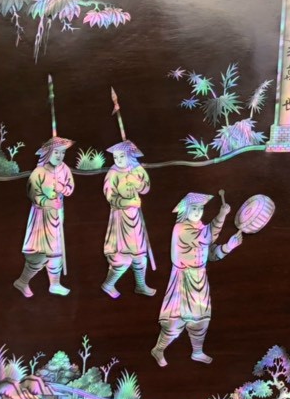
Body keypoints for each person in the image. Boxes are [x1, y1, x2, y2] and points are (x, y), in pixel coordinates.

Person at [151, 192, 242, 366]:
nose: (198, 212)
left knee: (201, 320)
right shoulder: (181, 229)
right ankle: (159, 349)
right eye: (194, 208)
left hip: (200, 279)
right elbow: (207, 237)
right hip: (183, 279)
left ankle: (197, 352)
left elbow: (211, 254)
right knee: (175, 322)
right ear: (185, 211)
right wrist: (222, 215)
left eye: (200, 209)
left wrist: (228, 246)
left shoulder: (200, 228)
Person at [14, 135, 75, 297]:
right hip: (40, 219)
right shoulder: (39, 172)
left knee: (56, 251)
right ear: (48, 153)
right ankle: (22, 282)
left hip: (57, 217)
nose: (60, 156)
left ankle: (55, 284)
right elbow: (33, 194)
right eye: (56, 152)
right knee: (39, 255)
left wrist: (63, 189)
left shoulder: (64, 169)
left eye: (63, 152)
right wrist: (48, 202)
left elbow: (70, 188)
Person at [101, 140, 156, 298]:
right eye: (116, 157)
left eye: (122, 156)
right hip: (120, 219)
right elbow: (110, 197)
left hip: (135, 218)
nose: (118, 160)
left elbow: (146, 188)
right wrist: (128, 202)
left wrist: (137, 182)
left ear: (129, 155)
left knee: (140, 255)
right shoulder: (113, 173)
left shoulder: (136, 168)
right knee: (122, 258)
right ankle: (108, 284)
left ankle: (141, 285)